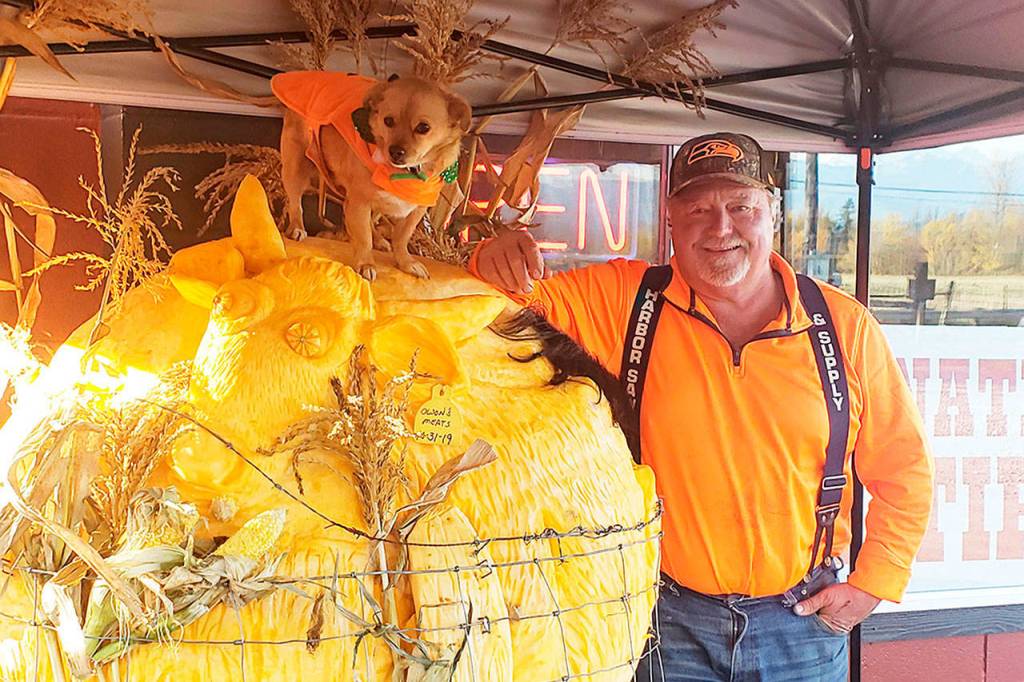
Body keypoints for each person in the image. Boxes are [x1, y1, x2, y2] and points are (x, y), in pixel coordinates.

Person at [468, 132, 934, 681]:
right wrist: (492, 256)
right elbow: (500, 302)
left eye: (741, 206)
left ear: (772, 214)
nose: (720, 228)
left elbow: (904, 470)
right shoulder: (627, 302)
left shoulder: (842, 326)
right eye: (698, 210)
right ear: (671, 221)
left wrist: (875, 582)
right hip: (667, 622)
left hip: (802, 627)